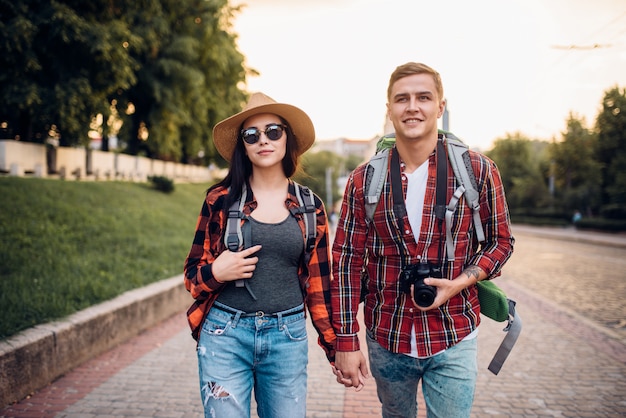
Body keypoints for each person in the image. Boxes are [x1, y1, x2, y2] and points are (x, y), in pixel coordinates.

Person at [331, 62, 515, 417]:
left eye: (423, 97)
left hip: (455, 332)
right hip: (387, 334)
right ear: (389, 110)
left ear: (440, 107)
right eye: (402, 99)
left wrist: (460, 283)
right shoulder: (363, 180)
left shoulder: (477, 170)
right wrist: (346, 340)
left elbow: (501, 242)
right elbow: (347, 262)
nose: (412, 106)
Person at [183, 92, 336, 418]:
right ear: (243, 145)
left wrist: (336, 347)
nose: (263, 140)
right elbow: (192, 276)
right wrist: (216, 272)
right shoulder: (220, 200)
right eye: (251, 134)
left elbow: (320, 288)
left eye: (273, 131)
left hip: (287, 337)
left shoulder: (310, 207)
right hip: (225, 335)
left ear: (287, 139)